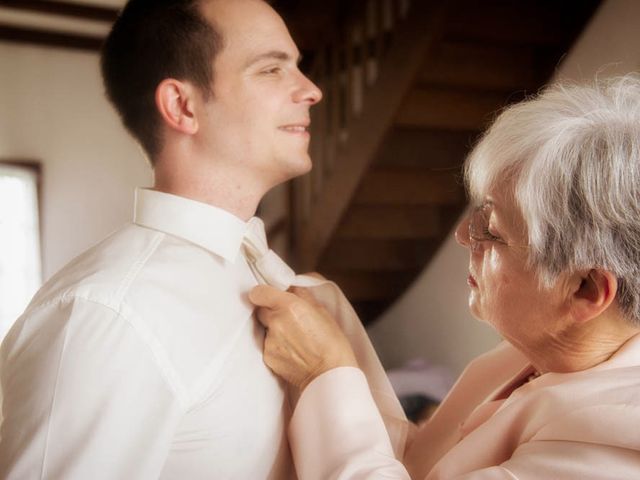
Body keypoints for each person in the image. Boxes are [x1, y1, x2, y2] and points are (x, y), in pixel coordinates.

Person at [250, 75, 640, 479]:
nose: (461, 235)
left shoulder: (616, 443)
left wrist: (324, 372)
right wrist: (335, 328)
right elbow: (417, 464)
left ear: (586, 290)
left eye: (491, 230)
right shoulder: (534, 354)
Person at [0, 0, 322, 478]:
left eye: (297, 67)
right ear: (182, 106)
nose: (312, 90)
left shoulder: (255, 268)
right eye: (272, 69)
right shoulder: (108, 315)